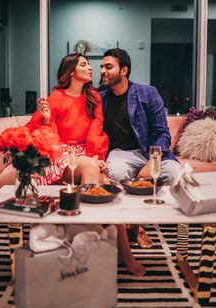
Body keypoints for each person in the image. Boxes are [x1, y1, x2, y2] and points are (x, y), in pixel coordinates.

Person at [100, 48, 181, 276]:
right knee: (115, 173)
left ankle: (177, 241)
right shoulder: (100, 97)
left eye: (108, 66)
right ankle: (136, 225)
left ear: (123, 70)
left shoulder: (147, 92)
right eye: (102, 67)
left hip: (151, 151)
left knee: (176, 176)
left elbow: (162, 132)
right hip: (121, 152)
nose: (103, 71)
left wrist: (153, 159)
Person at [28, 53, 108, 185]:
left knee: (105, 182)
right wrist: (47, 119)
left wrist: (94, 157)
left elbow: (97, 129)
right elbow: (36, 131)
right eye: (84, 64)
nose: (90, 68)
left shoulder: (94, 97)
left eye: (88, 64)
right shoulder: (56, 97)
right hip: (60, 152)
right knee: (91, 167)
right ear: (71, 71)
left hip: (85, 151)